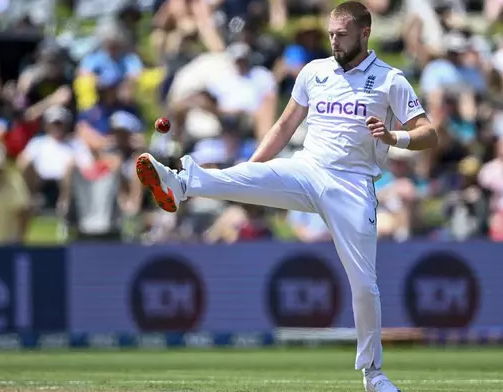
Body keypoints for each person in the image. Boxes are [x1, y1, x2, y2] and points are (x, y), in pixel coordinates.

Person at [136, 2, 437, 391]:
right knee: (235, 173)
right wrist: (253, 173)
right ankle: (180, 184)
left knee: (364, 284)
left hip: (353, 184)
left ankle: (373, 374)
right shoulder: (314, 72)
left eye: (342, 34)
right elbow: (282, 126)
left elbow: (429, 133)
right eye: (331, 33)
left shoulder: (390, 80)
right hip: (307, 168)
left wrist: (395, 137)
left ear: (365, 33)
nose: (334, 40)